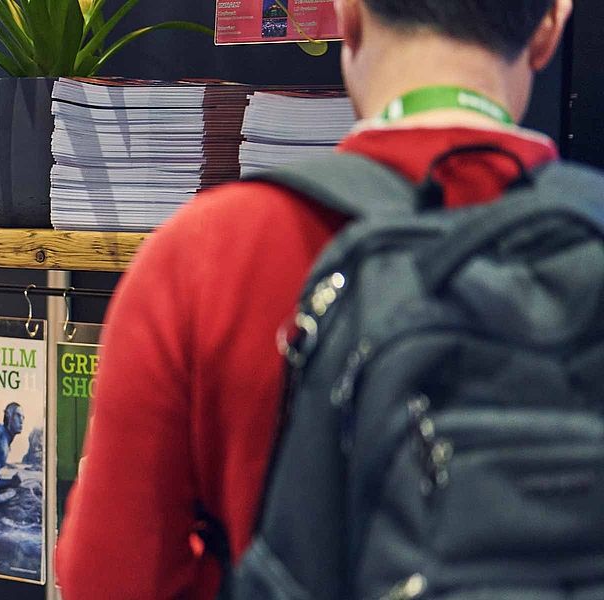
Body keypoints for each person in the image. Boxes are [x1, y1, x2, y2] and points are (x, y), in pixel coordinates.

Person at [54, 0, 574, 598]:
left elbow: (110, 580)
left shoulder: (204, 254)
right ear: (549, 29)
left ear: (347, 17)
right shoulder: (588, 240)